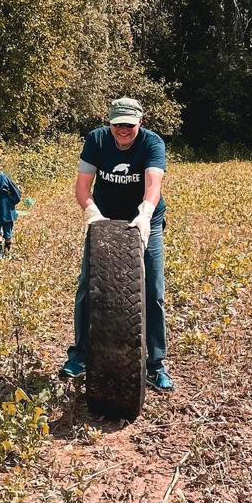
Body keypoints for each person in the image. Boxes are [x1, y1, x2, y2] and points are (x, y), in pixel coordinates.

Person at [60, 97, 173, 392]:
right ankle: (81, 356)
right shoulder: (97, 140)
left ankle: (156, 364)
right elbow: (83, 186)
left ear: (140, 123)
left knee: (153, 291)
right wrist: (93, 215)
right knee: (88, 286)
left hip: (144, 221)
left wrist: (146, 214)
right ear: (109, 123)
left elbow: (153, 185)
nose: (123, 130)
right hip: (104, 222)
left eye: (129, 125)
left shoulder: (152, 143)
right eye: (117, 124)